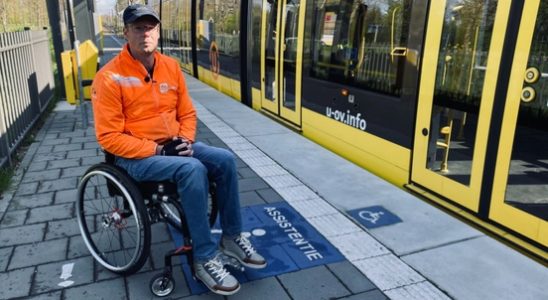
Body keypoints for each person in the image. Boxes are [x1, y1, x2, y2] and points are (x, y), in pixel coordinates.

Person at [91, 4, 266, 296]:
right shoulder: (109, 78)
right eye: (138, 28)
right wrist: (158, 150)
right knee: (193, 169)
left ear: (158, 32)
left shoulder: (171, 67)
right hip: (137, 157)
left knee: (224, 160)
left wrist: (183, 141)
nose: (145, 33)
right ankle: (204, 257)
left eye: (150, 27)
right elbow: (108, 137)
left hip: (173, 147)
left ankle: (232, 237)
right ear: (126, 33)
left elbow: (187, 113)